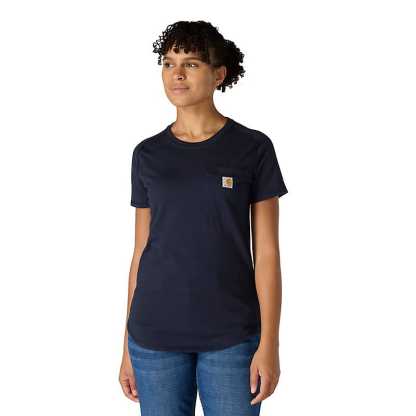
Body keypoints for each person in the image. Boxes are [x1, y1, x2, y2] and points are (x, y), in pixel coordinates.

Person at [119, 20, 288, 416]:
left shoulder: (253, 148)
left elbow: (267, 254)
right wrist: (126, 345)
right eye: (168, 63)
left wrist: (270, 344)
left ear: (219, 75)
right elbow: (141, 252)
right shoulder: (147, 154)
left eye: (191, 64)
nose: (176, 73)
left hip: (232, 336)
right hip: (154, 336)